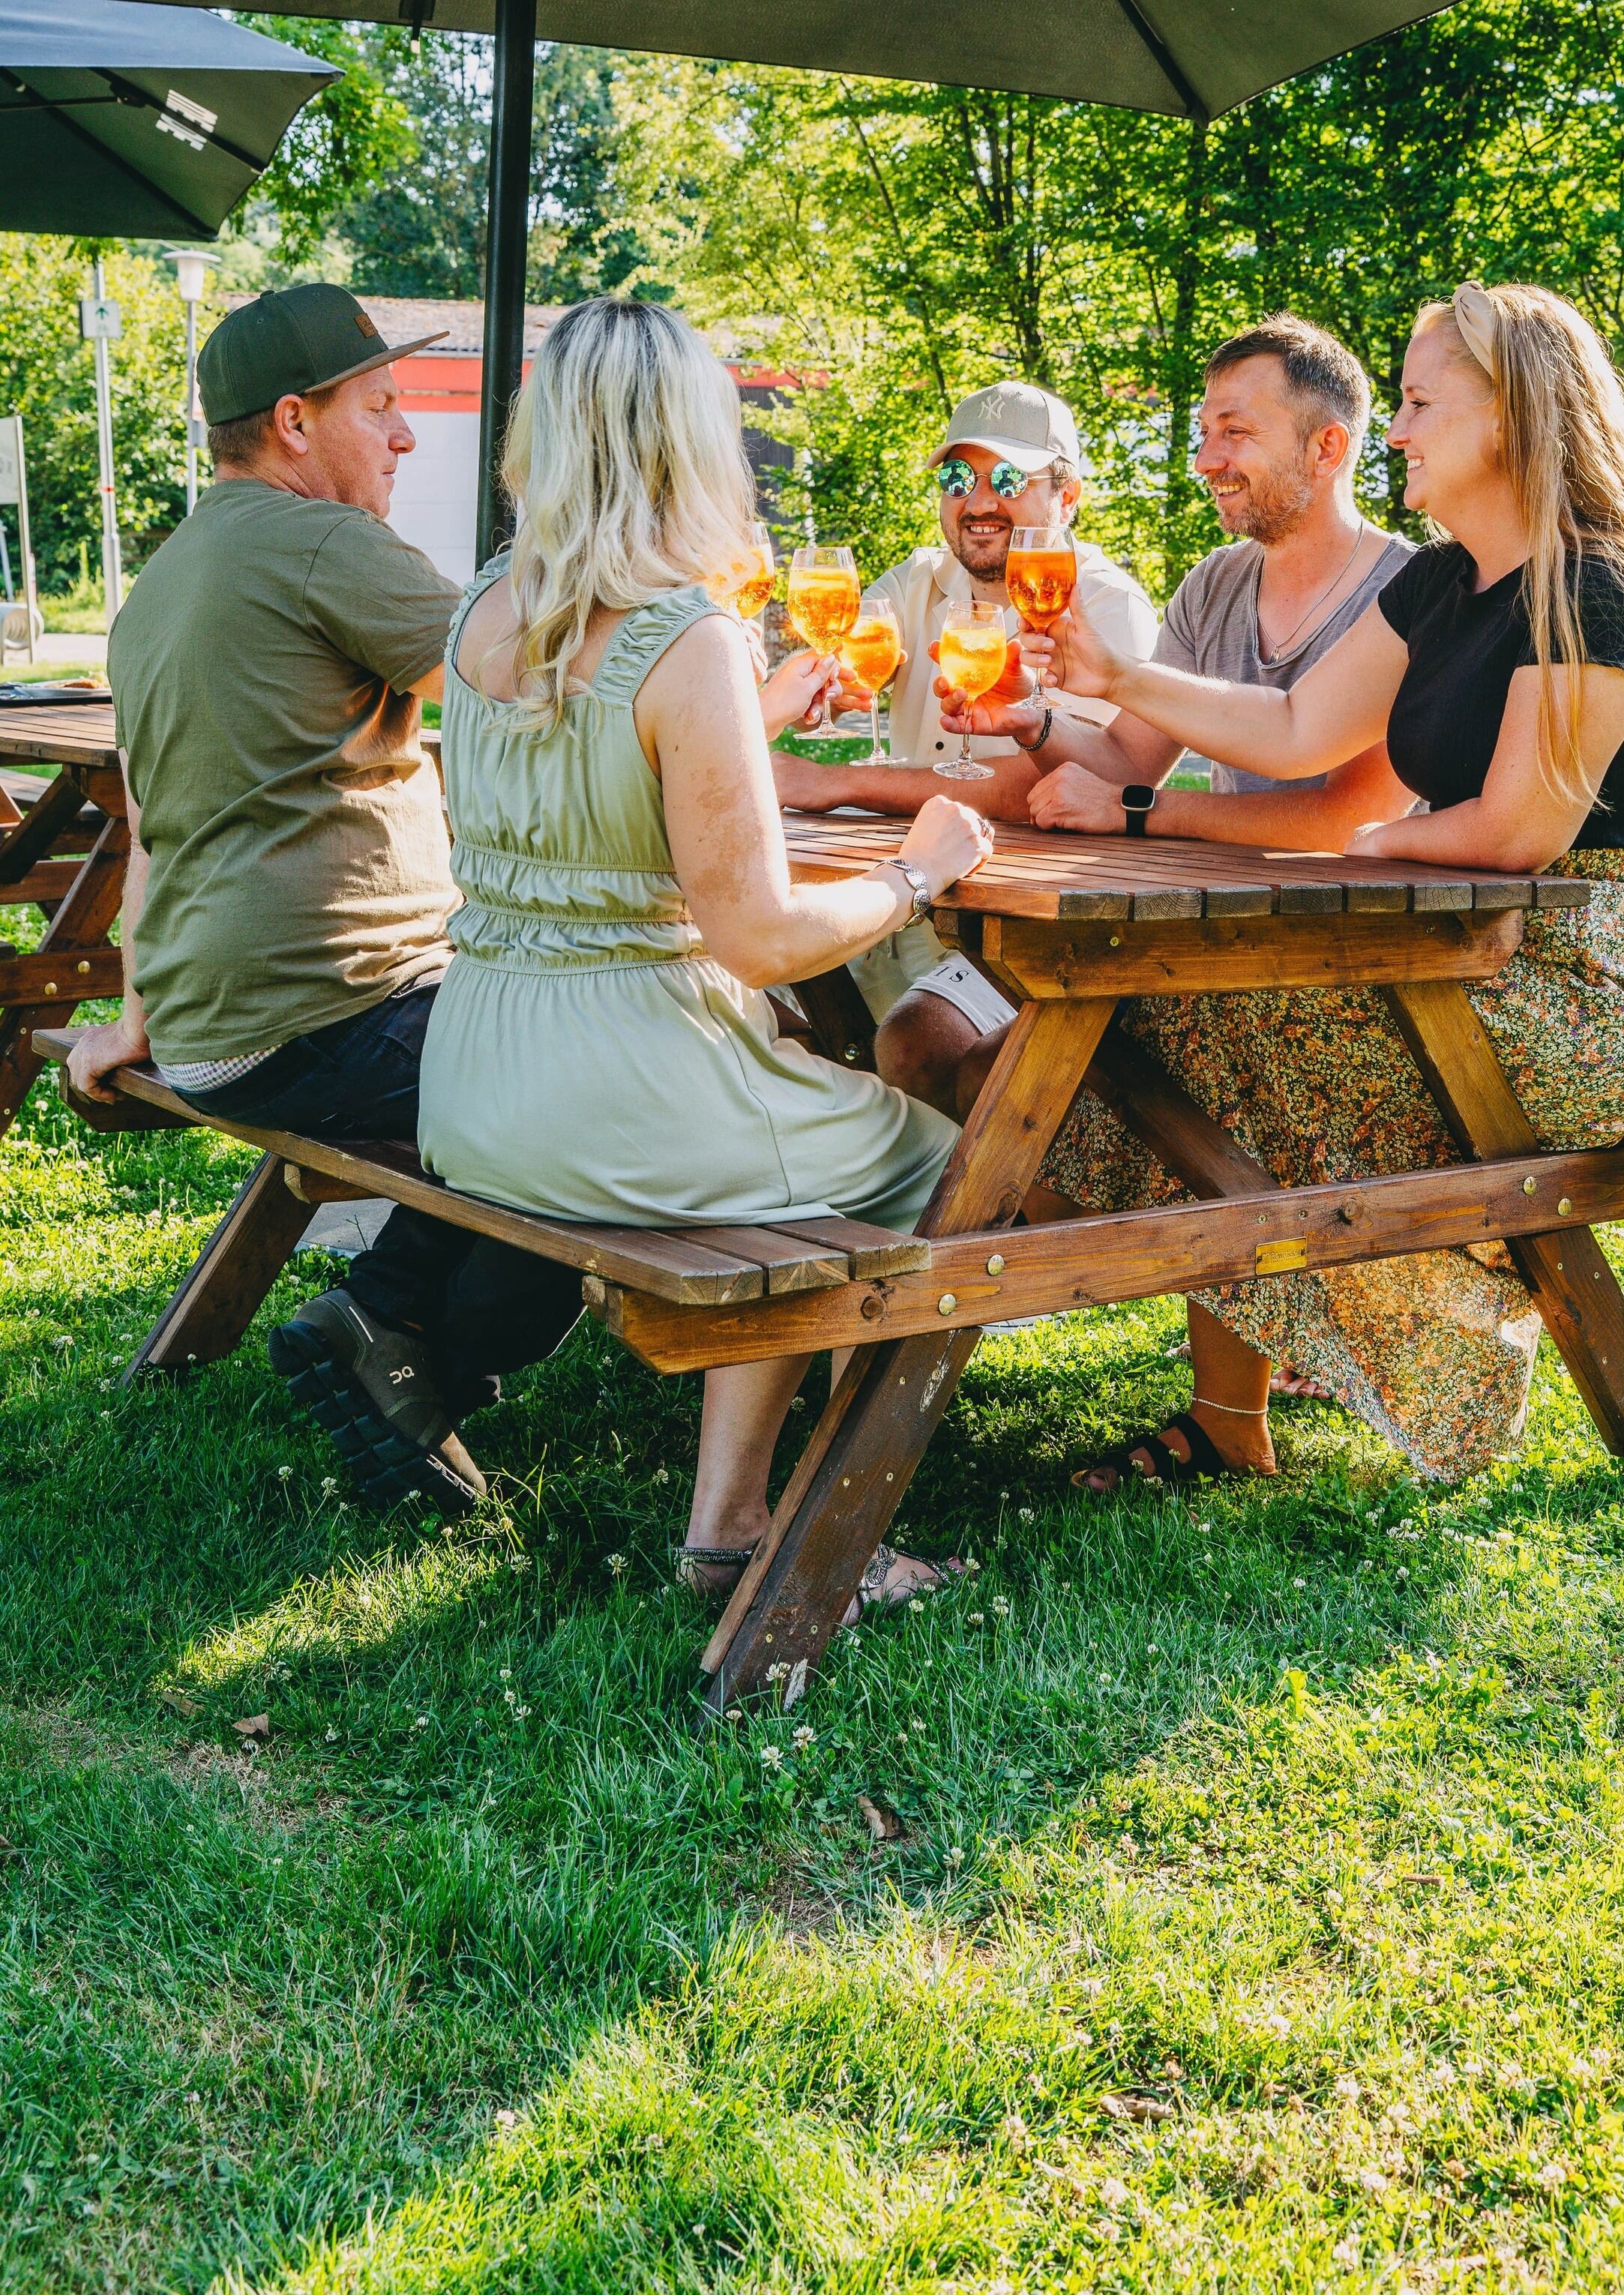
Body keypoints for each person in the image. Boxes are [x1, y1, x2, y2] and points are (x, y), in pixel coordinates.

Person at [961, 281, 1624, 1488]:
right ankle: (1232, 1399)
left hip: (1584, 989)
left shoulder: (1596, 583)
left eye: (1419, 402)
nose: (1399, 430)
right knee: (1163, 1022)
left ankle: (1384, 1363)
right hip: (1464, 948)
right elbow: (1298, 722)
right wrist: (1114, 677)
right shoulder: (1439, 583)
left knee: (1187, 1033)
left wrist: (1364, 847)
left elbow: (1518, 832)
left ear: (1514, 418)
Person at [416, 296, 993, 1611]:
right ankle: (811, 1539)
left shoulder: (480, 617)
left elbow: (586, 807)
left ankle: (727, 1524)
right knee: (944, 1169)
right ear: (691, 444)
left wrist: (756, 705)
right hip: (618, 1093)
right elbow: (759, 936)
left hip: (472, 1081)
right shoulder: (688, 636)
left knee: (787, 1141)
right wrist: (922, 871)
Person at [66, 283, 593, 1518]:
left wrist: (139, 1013)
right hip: (329, 1015)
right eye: (384, 407)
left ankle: (393, 1334)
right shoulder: (323, 544)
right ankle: (398, 1337)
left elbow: (151, 831)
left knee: (554, 1062)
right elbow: (537, 688)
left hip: (215, 1030)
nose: (406, 437)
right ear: (296, 422)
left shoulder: (162, 584)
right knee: (604, 1090)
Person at [773, 378, 1158, 1104]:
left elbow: (1035, 791)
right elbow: (845, 660)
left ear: (1066, 496)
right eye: (957, 478)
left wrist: (836, 782)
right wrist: (824, 694)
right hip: (903, 900)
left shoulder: (1103, 608)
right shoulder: (919, 581)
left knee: (910, 1045)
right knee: (752, 1005)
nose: (977, 501)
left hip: (1025, 933)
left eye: (1007, 479)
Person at [1004, 316, 1417, 852]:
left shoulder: (1411, 590)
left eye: (1235, 431)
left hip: (1373, 930)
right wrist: (1029, 721)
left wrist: (1133, 810)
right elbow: (1129, 761)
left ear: (1326, 449)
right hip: (1220, 919)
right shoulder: (1214, 583)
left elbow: (1348, 819)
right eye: (1204, 432)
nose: (1204, 462)